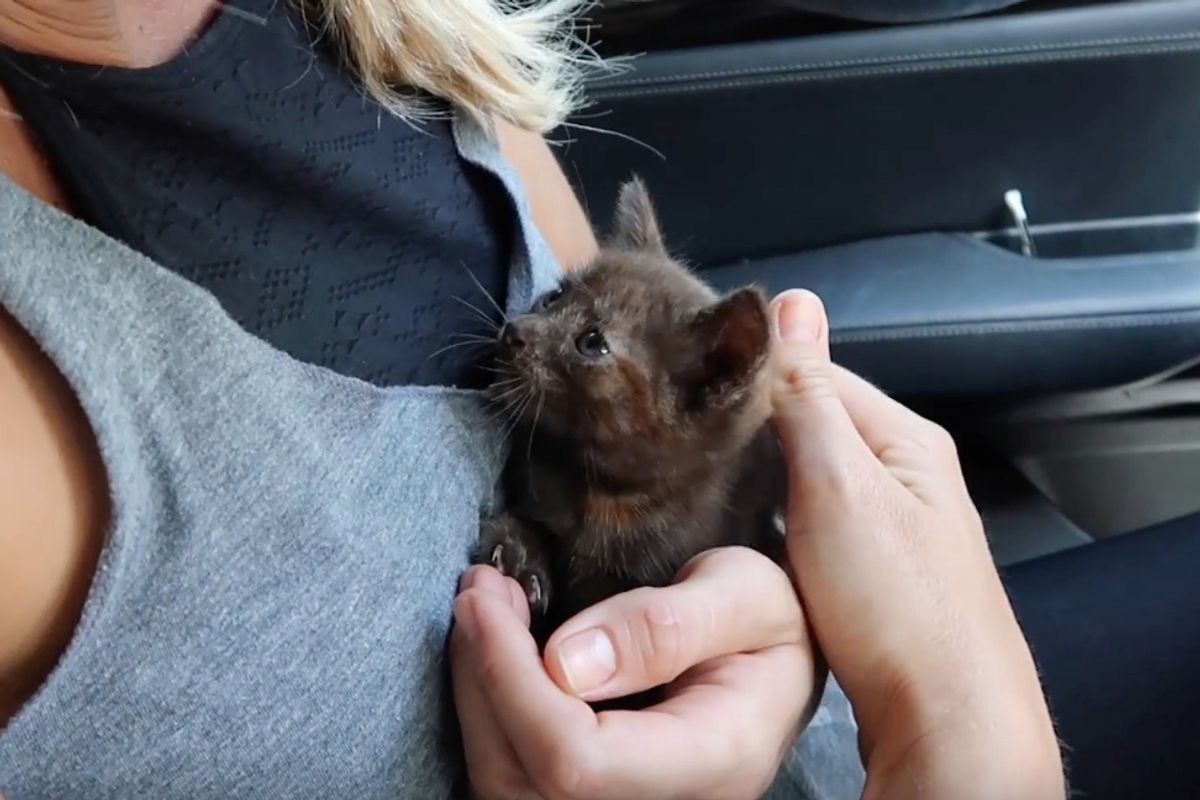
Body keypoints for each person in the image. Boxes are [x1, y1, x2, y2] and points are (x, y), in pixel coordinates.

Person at [0, 1, 1062, 797]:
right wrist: (955, 731)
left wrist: (786, 644)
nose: (523, 329)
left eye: (574, 329)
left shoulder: (391, 22)